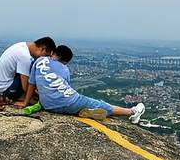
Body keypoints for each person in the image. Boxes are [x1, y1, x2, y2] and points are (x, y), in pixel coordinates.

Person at [17, 45, 145, 123]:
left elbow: (31, 83)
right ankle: (133, 112)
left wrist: (25, 102)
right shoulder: (64, 68)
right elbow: (64, 89)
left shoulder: (39, 60)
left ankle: (82, 111)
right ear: (65, 62)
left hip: (48, 105)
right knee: (100, 104)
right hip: (68, 102)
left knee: (78, 104)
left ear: (52, 53)